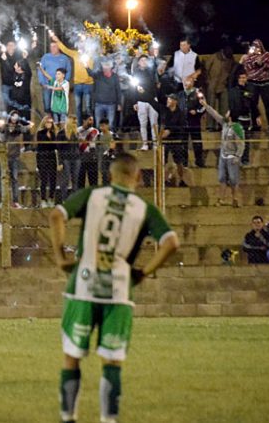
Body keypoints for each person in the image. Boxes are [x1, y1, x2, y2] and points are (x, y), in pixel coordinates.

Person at [48, 152, 179, 423]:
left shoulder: (93, 194)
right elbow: (171, 242)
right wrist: (144, 272)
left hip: (82, 285)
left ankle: (68, 417)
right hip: (119, 290)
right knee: (112, 362)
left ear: (109, 176)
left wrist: (61, 258)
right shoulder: (144, 209)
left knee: (72, 357)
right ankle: (109, 419)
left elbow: (56, 216)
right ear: (138, 177)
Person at [200, 96, 245, 208]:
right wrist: (206, 105)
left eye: (228, 112)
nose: (226, 113)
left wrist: (237, 156)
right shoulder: (225, 124)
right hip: (223, 155)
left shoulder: (237, 128)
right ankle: (221, 199)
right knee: (222, 179)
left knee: (234, 180)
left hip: (232, 156)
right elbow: (215, 115)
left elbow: (241, 144)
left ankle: (235, 199)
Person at [0, 111, 34, 208]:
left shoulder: (19, 127)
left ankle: (15, 201)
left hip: (14, 156)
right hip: (4, 156)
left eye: (16, 116)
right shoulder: (5, 127)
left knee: (14, 179)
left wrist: (30, 125)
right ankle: (2, 201)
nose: (14, 118)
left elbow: (26, 128)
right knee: (2, 178)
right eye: (13, 116)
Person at [241, 39, 269, 131]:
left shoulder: (266, 55)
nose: (256, 48)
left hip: (265, 82)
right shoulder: (248, 56)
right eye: (254, 46)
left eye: (258, 46)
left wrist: (263, 63)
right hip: (252, 82)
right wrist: (254, 62)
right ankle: (255, 126)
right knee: (252, 103)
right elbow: (246, 67)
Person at [131, 55, 160, 150]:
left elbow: (155, 85)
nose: (144, 61)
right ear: (138, 62)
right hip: (141, 101)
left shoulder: (151, 72)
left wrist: (155, 98)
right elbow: (133, 89)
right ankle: (145, 144)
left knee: (154, 124)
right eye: (142, 60)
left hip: (152, 100)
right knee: (143, 124)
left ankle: (155, 144)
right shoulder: (135, 73)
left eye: (145, 60)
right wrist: (135, 102)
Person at [203, 45, 234, 131]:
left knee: (224, 107)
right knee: (211, 107)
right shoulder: (214, 57)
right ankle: (210, 126)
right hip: (212, 84)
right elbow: (205, 68)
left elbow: (232, 71)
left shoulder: (230, 59)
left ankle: (223, 125)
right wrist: (208, 81)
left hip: (223, 85)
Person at [177, 76, 206, 167]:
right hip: (183, 123)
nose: (186, 84)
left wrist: (196, 112)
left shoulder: (198, 93)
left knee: (197, 142)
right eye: (185, 82)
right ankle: (184, 163)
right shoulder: (180, 94)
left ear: (192, 82)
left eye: (188, 81)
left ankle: (199, 161)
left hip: (194, 122)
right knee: (183, 144)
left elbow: (204, 106)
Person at [38, 41, 73, 116]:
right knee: (47, 105)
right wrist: (42, 82)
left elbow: (69, 71)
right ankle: (49, 121)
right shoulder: (45, 57)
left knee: (59, 106)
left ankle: (59, 123)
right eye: (51, 47)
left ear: (59, 47)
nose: (52, 48)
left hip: (59, 86)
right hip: (47, 85)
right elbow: (40, 70)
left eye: (54, 46)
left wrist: (64, 83)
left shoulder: (64, 58)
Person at [161, 93, 188, 187]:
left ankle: (181, 180)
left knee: (179, 162)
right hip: (165, 140)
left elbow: (181, 126)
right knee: (163, 161)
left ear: (175, 101)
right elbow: (163, 123)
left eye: (170, 99)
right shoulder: (165, 112)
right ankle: (164, 180)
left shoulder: (180, 113)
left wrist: (170, 130)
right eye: (168, 99)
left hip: (176, 139)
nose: (168, 101)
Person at [88, 57, 121, 132]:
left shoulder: (115, 76)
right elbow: (90, 73)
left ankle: (110, 141)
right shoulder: (98, 75)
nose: (105, 67)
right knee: (98, 125)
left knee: (111, 125)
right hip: (99, 103)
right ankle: (98, 141)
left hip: (111, 104)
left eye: (107, 65)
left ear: (110, 67)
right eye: (104, 65)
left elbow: (118, 90)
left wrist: (119, 103)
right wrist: (86, 66)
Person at [36, 115, 58, 207]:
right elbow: (43, 144)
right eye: (48, 122)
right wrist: (47, 133)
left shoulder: (53, 134)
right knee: (44, 180)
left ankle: (51, 198)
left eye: (51, 122)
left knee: (53, 179)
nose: (49, 124)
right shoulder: (40, 133)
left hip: (52, 157)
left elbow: (54, 146)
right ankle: (43, 199)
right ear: (44, 123)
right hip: (42, 157)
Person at [56, 116, 80, 202]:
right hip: (66, 159)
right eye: (74, 122)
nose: (75, 124)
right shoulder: (61, 133)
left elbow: (77, 147)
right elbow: (58, 149)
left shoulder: (76, 133)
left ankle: (75, 200)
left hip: (76, 158)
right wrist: (60, 162)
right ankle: (64, 199)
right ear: (69, 122)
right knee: (65, 180)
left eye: (76, 123)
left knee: (75, 180)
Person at [77, 113, 99, 189]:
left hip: (91, 157)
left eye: (92, 120)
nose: (92, 121)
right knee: (80, 181)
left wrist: (83, 141)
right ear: (84, 120)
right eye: (90, 120)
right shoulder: (77, 130)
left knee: (93, 182)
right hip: (80, 158)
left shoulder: (95, 131)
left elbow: (92, 144)